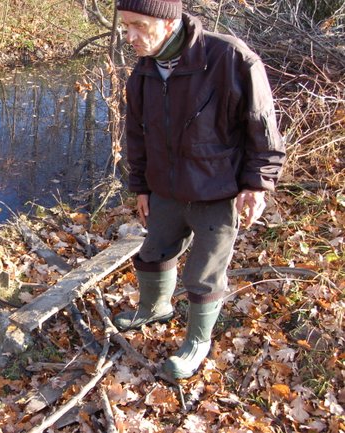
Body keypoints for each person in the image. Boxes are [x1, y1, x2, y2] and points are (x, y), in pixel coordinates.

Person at [112, 0, 285, 379]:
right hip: (165, 189)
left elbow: (263, 128)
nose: (130, 37)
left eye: (139, 26)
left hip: (216, 190)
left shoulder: (229, 58)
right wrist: (140, 185)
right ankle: (155, 307)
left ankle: (197, 342)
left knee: (204, 274)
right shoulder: (142, 73)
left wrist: (256, 184)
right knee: (154, 252)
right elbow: (137, 136)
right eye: (126, 26)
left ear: (170, 22)